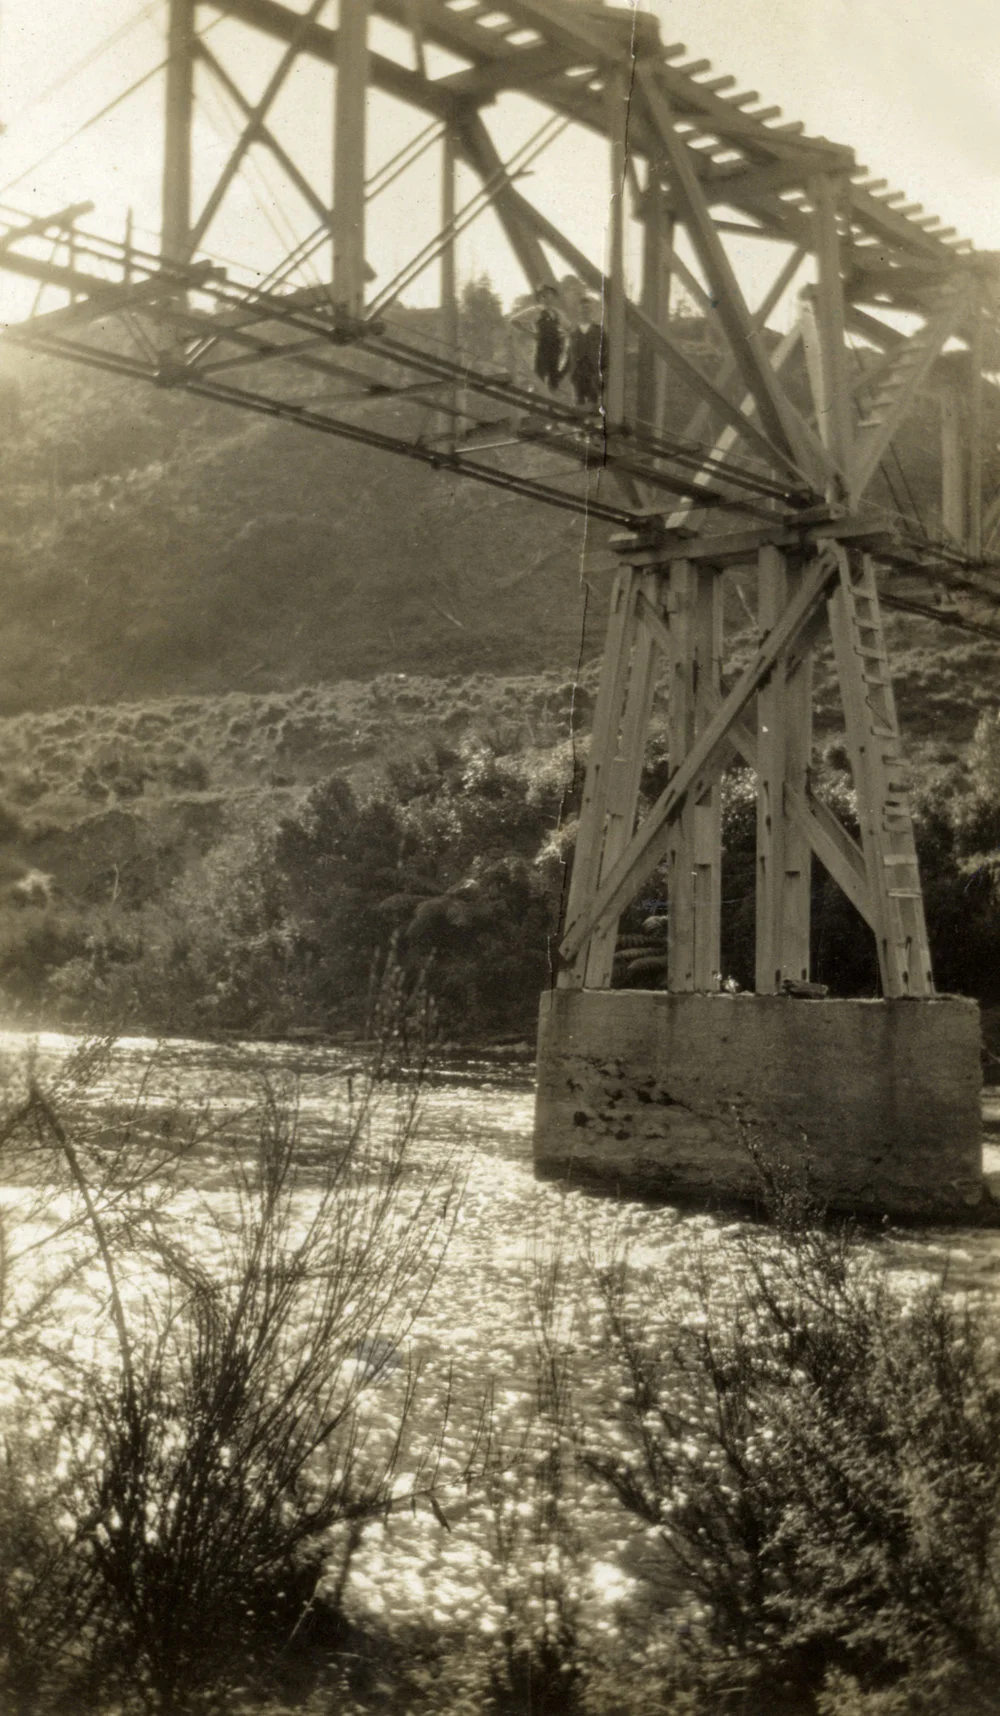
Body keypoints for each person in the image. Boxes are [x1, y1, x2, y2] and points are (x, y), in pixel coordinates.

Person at [509, 283, 567, 393]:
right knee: (537, 380)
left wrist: (563, 335)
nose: (547, 298)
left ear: (554, 297)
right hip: (540, 350)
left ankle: (551, 407)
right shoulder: (535, 311)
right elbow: (514, 320)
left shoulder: (558, 314)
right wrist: (531, 333)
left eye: (550, 295)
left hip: (555, 350)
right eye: (544, 296)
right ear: (540, 297)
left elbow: (569, 327)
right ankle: (532, 404)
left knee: (553, 382)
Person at [566, 300, 606, 410]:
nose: (585, 311)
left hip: (593, 369)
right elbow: (569, 352)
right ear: (579, 311)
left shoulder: (599, 330)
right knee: (579, 400)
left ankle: (592, 423)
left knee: (593, 400)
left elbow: (605, 350)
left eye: (587, 308)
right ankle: (579, 424)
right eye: (583, 308)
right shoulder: (573, 331)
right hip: (577, 370)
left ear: (591, 311)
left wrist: (604, 369)